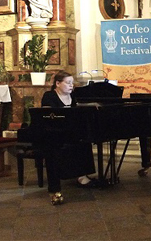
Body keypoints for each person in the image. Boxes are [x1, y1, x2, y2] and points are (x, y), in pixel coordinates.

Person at [40, 71, 97, 205]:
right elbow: (48, 118)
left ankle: (82, 176)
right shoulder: (49, 96)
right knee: (54, 149)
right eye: (68, 83)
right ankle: (54, 188)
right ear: (58, 83)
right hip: (52, 134)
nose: (71, 86)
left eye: (72, 83)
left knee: (84, 141)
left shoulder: (73, 97)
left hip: (69, 133)